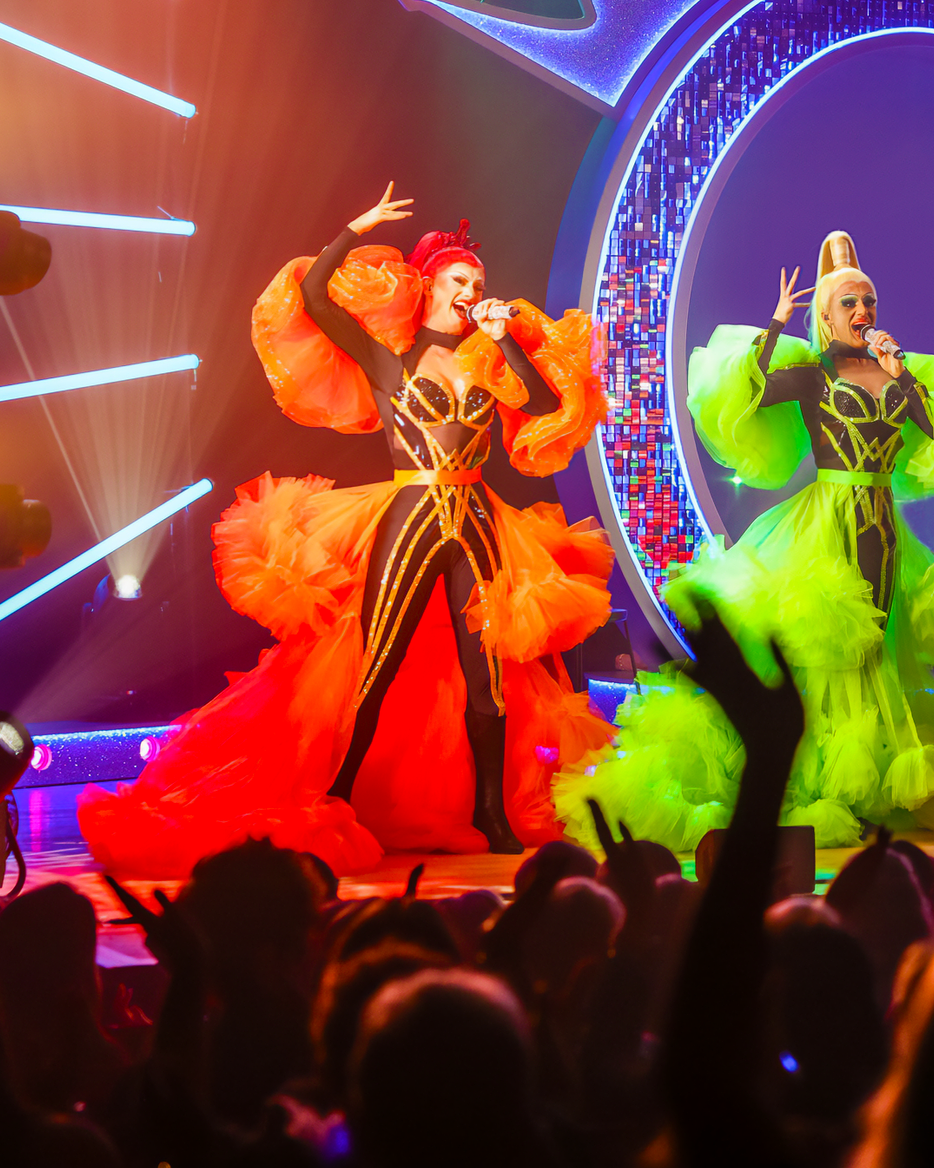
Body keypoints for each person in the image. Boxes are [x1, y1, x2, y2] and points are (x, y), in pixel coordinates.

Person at [81, 187, 614, 874]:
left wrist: (507, 337)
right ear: (428, 286)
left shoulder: (488, 359)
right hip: (410, 513)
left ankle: (489, 808)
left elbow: (544, 403)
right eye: (458, 279)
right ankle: (338, 791)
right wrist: (352, 228)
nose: (471, 290)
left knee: (488, 676)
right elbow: (316, 297)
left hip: (478, 518)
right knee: (377, 658)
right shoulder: (390, 359)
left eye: (478, 283)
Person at [556, 231, 934, 850]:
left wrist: (902, 372)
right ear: (825, 315)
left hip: (881, 524)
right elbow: (754, 389)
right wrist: (773, 325)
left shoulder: (895, 374)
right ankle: (816, 779)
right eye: (849, 303)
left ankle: (872, 781)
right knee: (828, 648)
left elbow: (933, 430)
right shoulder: (812, 376)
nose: (862, 313)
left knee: (880, 642)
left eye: (868, 302)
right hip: (824, 520)